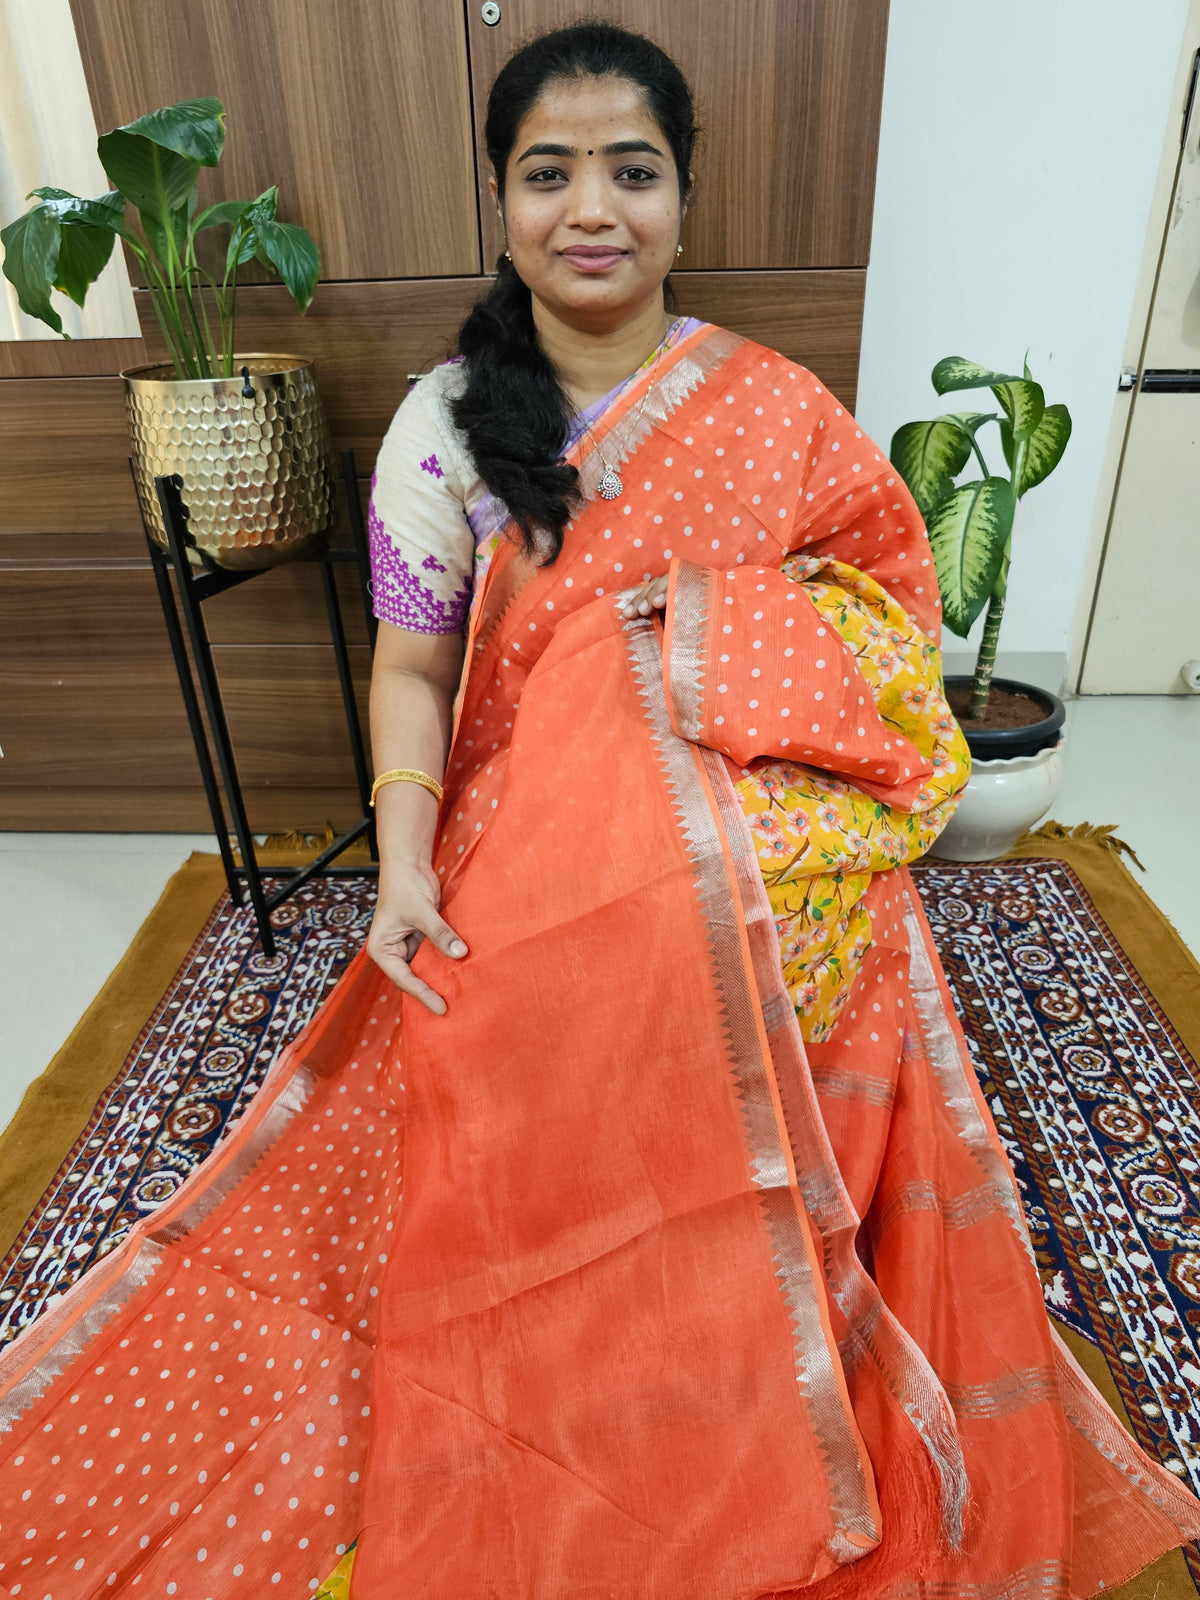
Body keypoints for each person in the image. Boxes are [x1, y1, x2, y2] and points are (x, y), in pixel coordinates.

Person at [0, 22, 1196, 1599]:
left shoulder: (767, 405)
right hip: (531, 830)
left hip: (766, 823)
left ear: (683, 202)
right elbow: (417, 672)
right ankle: (579, 1341)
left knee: (830, 958)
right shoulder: (445, 426)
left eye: (632, 171)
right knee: (532, 1032)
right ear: (499, 198)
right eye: (548, 171)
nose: (593, 208)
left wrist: (689, 660)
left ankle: (768, 1321)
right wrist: (405, 870)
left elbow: (890, 622)